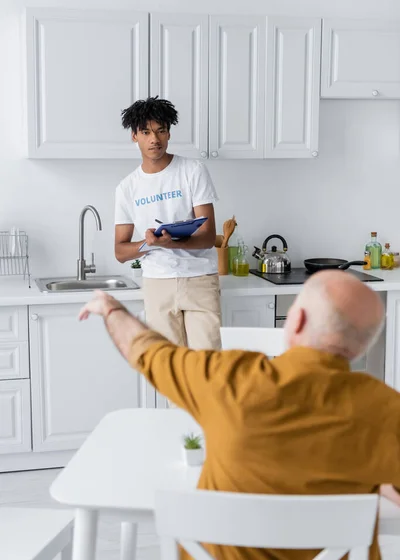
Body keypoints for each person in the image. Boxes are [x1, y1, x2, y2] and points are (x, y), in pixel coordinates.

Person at [79, 270, 400, 560]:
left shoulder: (227, 378)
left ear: (297, 320)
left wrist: (111, 308)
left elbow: (147, 351)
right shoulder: (387, 411)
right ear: (361, 348)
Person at [114, 96, 221, 350]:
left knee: (207, 367)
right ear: (134, 136)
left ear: (169, 134)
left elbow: (208, 236)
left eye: (161, 131)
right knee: (171, 372)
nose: (154, 139)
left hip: (199, 279)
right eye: (146, 132)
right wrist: (150, 244)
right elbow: (120, 251)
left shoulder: (193, 170)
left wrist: (170, 243)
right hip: (157, 284)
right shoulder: (127, 188)